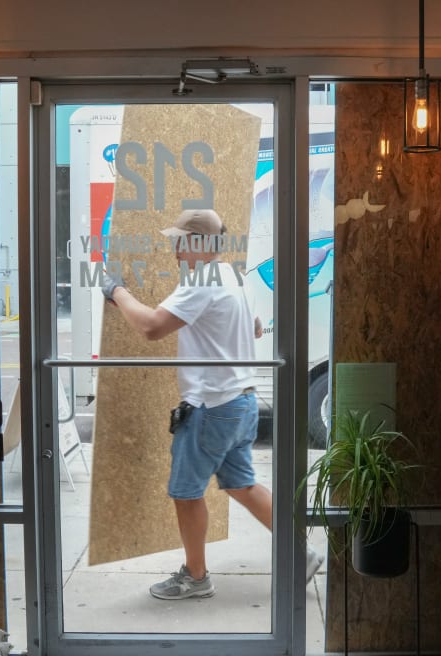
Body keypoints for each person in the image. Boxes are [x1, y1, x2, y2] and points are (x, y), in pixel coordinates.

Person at [101, 208, 323, 600]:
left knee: (186, 493)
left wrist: (116, 292)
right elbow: (255, 326)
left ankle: (196, 577)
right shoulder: (236, 277)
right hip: (242, 402)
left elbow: (152, 327)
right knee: (243, 485)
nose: (175, 251)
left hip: (211, 408)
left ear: (200, 243)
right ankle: (300, 554)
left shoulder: (202, 279)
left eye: (180, 242)